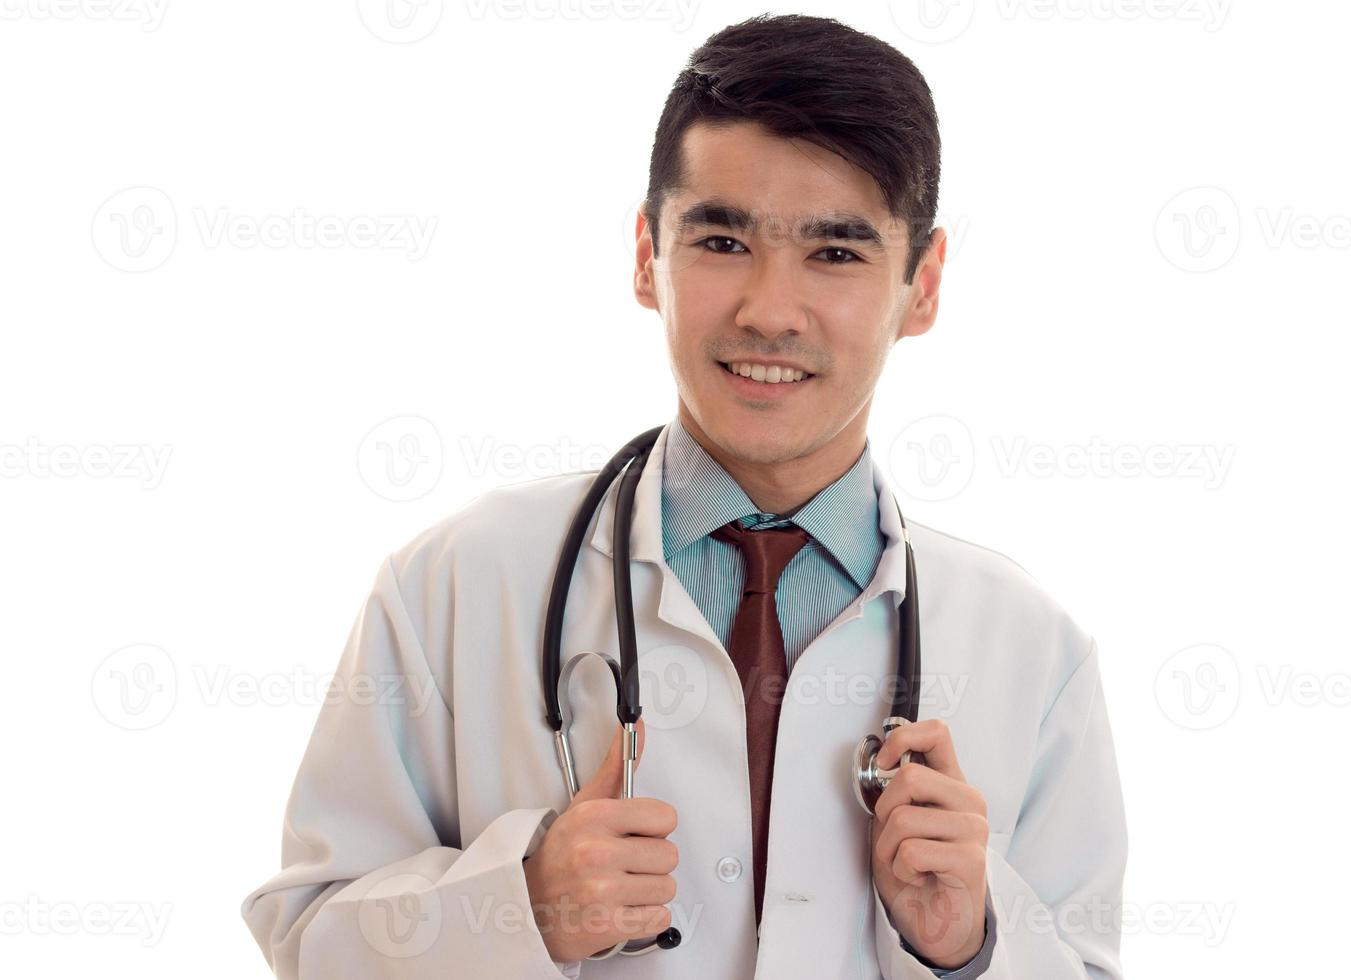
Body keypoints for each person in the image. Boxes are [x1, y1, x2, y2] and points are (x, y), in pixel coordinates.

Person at [240, 13, 1127, 979]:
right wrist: (519, 909)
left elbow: (1086, 961)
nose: (769, 312)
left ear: (923, 285)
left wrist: (968, 944)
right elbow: (307, 942)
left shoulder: (1033, 650)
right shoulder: (454, 584)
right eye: (720, 239)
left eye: (836, 253)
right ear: (643, 255)